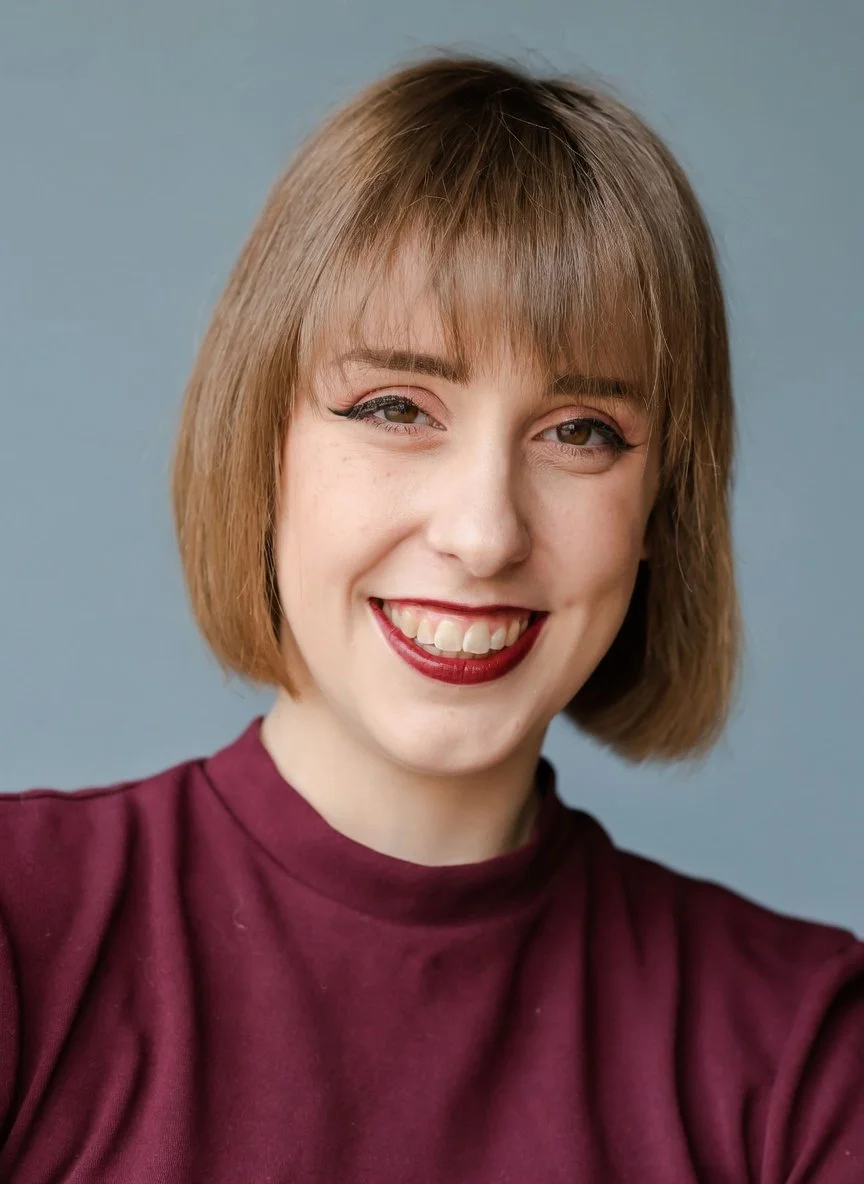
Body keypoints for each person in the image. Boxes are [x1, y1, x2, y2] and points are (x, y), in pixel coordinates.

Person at [0, 51, 861, 1183]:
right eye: (397, 407)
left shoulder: (807, 1054)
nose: (485, 531)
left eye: (581, 431)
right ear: (263, 445)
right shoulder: (24, 929)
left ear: (660, 508)